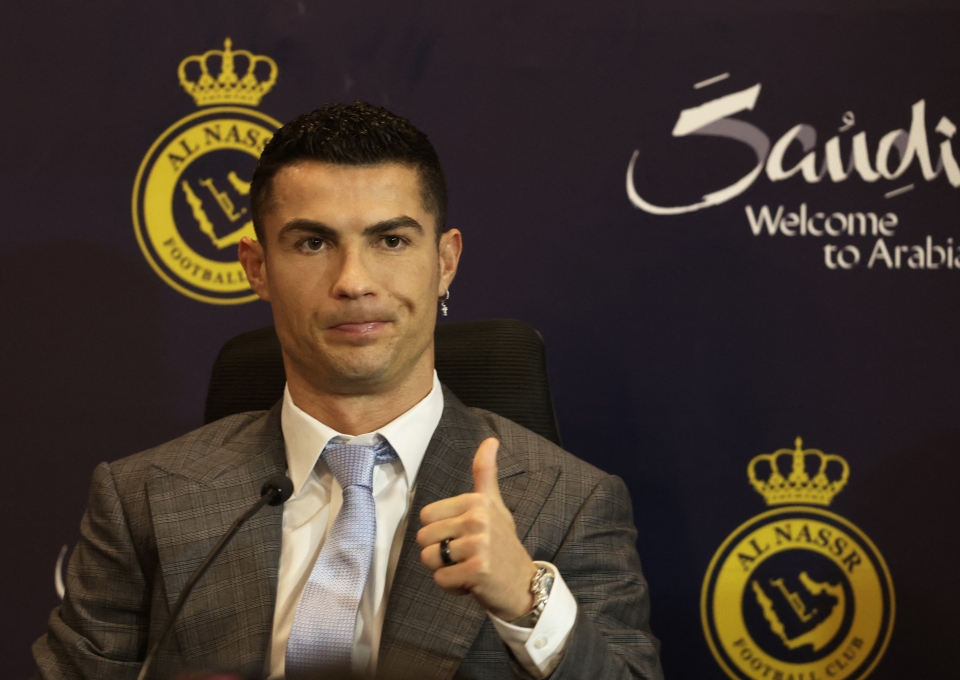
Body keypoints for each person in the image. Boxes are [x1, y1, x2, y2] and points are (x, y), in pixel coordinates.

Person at [32, 102, 663, 680]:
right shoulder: (141, 497)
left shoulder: (570, 502)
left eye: (390, 240)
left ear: (445, 261)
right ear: (258, 268)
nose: (353, 281)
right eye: (313, 243)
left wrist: (529, 601)